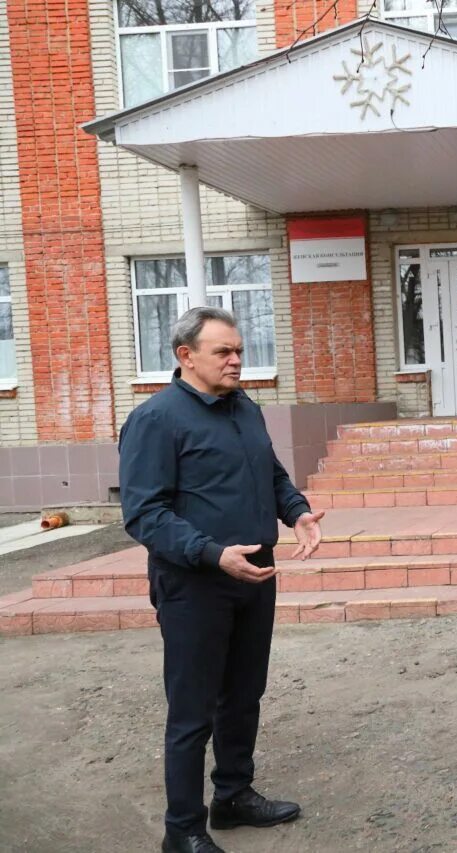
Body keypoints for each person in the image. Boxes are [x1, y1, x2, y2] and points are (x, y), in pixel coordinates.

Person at [119, 307, 325, 853]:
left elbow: (271, 473)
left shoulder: (244, 408)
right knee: (193, 709)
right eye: (223, 352)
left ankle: (232, 797)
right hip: (195, 585)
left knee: (243, 694)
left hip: (255, 576)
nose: (237, 360)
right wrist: (211, 554)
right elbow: (144, 513)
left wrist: (297, 511)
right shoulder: (155, 420)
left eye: (239, 350)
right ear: (186, 356)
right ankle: (182, 828)